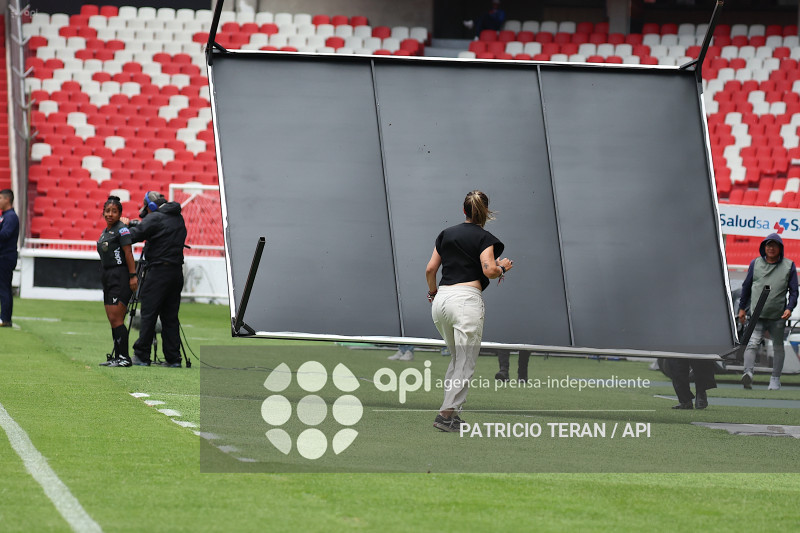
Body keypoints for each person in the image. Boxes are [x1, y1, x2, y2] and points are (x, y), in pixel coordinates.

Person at [426, 190, 513, 432]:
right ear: (485, 212)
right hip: (466, 301)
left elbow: (430, 270)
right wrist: (502, 267)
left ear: (464, 210)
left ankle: (453, 417)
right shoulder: (486, 239)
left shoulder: (446, 234)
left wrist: (433, 293)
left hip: (441, 300)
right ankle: (445, 415)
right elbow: (489, 270)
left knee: (457, 360)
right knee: (465, 362)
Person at [122, 191, 187, 367]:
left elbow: (133, 236)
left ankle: (142, 355)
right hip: (176, 273)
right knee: (170, 317)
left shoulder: (156, 217)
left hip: (158, 272)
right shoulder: (177, 217)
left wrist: (124, 227)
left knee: (149, 314)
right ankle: (174, 359)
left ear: (151, 206)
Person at [738, 233, 798, 391]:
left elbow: (794, 291)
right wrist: (742, 308)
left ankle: (775, 379)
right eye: (768, 245)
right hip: (756, 315)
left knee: (778, 347)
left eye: (774, 245)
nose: (771, 248)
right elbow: (746, 286)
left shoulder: (789, 265)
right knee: (752, 344)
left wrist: (789, 308)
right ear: (764, 247)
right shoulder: (755, 263)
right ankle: (748, 374)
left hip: (778, 315)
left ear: (780, 248)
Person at [97, 197, 138, 367]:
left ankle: (124, 358)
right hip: (108, 276)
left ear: (120, 214)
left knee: (117, 318)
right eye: (107, 211)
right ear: (103, 212)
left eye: (114, 211)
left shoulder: (122, 230)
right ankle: (117, 356)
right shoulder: (106, 231)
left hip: (120, 275)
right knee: (112, 318)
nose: (110, 214)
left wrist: (132, 276)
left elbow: (128, 253)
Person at [0, 189, 19, 328]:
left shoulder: (11, 217)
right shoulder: (6, 216)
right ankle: (4, 317)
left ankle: (5, 318)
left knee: (4, 287)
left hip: (6, 257)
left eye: (0, 198)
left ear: (7, 199)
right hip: (4, 256)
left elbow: (5, 234)